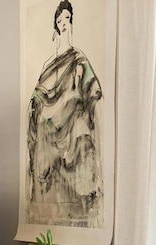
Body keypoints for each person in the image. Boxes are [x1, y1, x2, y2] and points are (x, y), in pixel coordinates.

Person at [26, 0, 104, 228]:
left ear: (72, 22)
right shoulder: (48, 64)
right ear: (55, 27)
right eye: (59, 20)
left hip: (73, 136)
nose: (64, 24)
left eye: (67, 19)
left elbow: (93, 92)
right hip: (48, 142)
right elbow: (36, 100)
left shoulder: (78, 59)